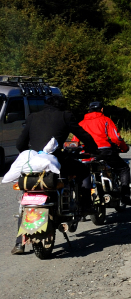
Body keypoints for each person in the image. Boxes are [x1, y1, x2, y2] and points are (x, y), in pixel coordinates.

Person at [12, 94, 98, 254]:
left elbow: (19, 144)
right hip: (56, 160)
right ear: (63, 105)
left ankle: (19, 244)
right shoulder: (66, 116)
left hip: (34, 162)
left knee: (27, 196)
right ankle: (86, 205)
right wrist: (93, 148)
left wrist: (33, 155)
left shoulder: (32, 117)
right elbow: (83, 135)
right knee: (83, 170)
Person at [78, 101, 131, 207]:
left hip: (88, 153)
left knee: (84, 172)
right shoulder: (106, 120)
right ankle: (125, 195)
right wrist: (124, 148)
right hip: (105, 151)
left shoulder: (81, 123)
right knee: (123, 168)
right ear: (102, 109)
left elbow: (76, 141)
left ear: (88, 110)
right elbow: (116, 138)